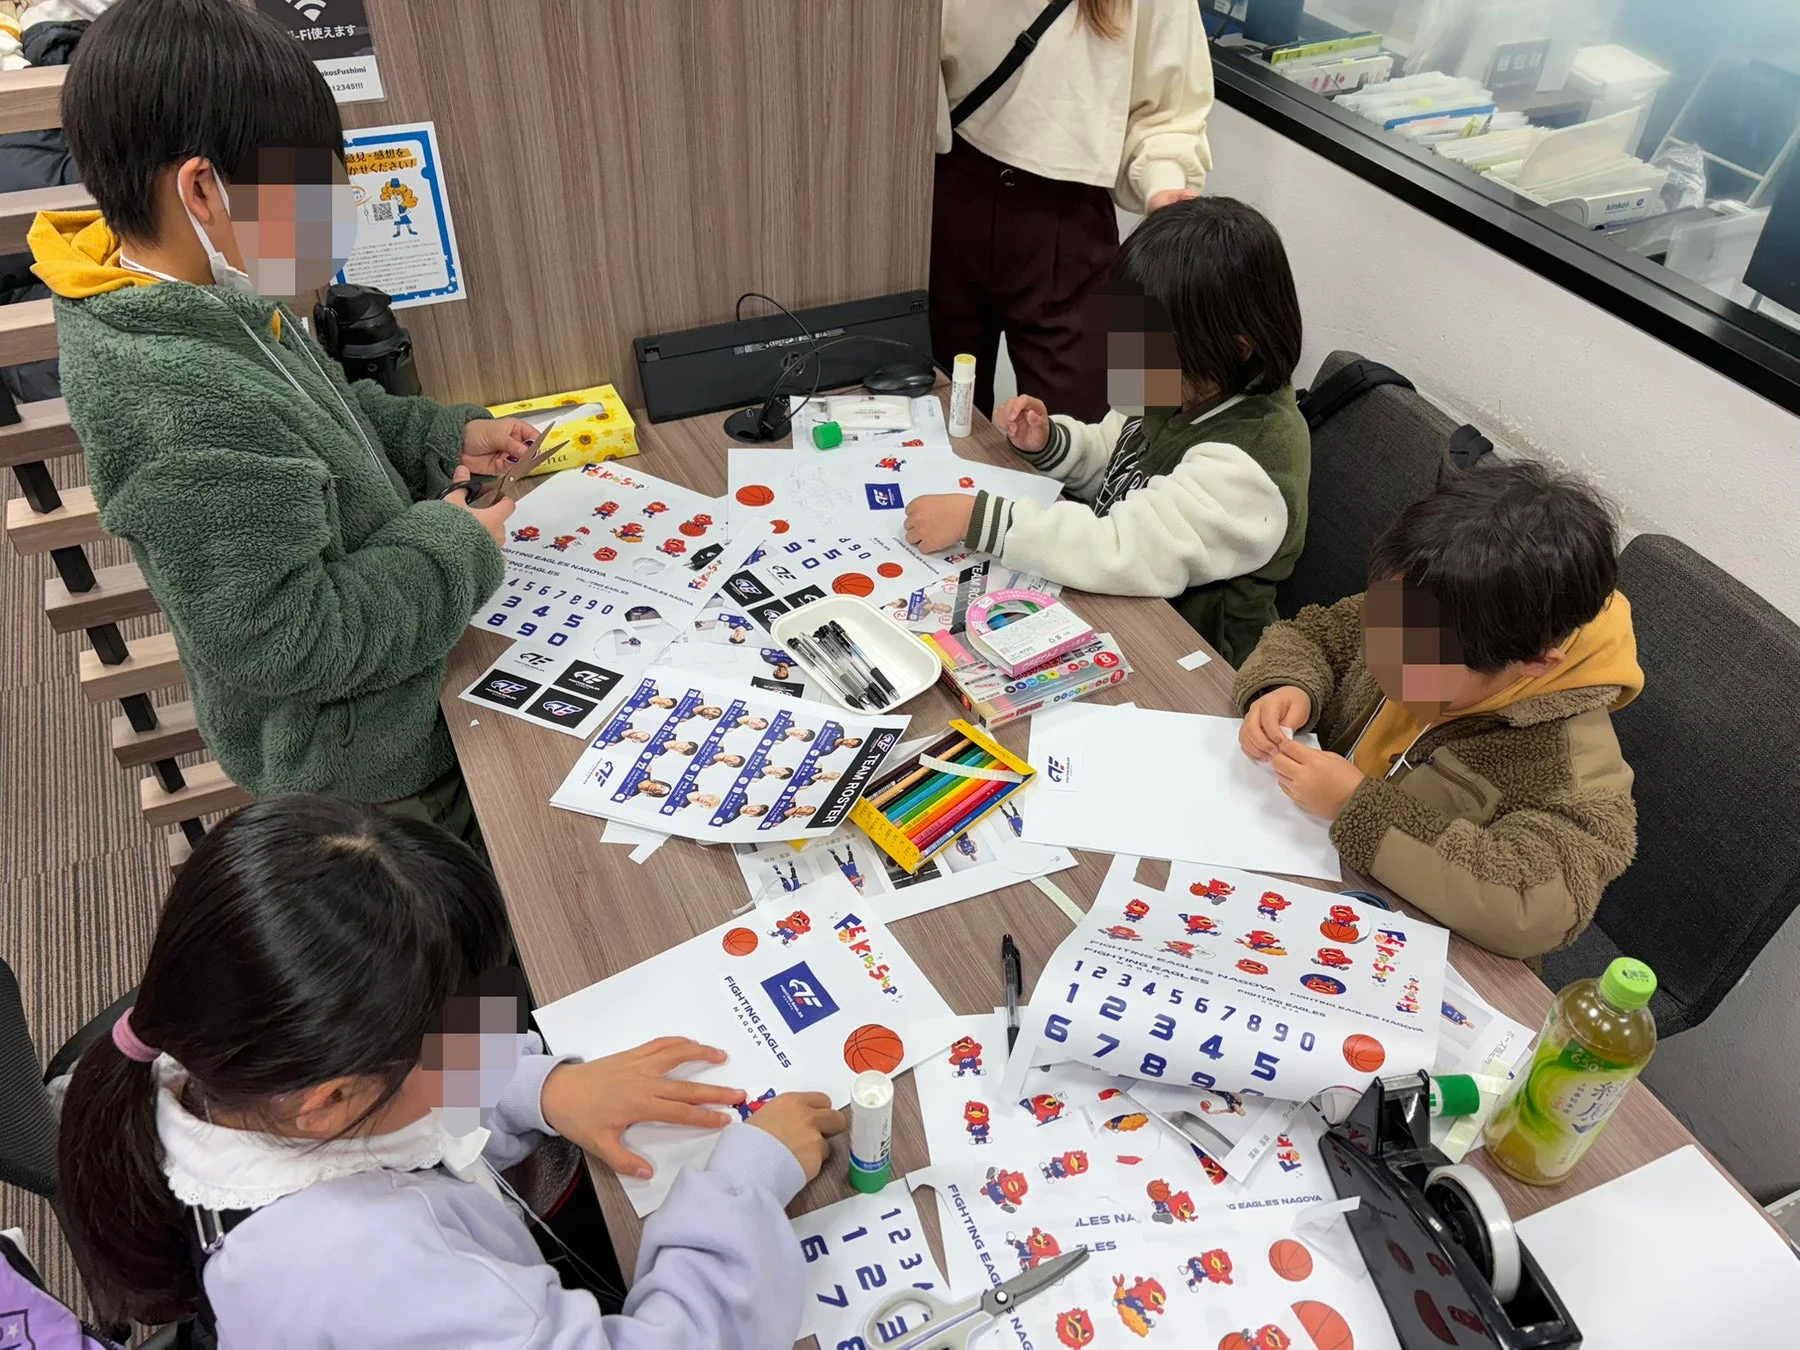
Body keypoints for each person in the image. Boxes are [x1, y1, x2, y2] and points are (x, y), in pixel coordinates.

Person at [56, 796, 844, 1344]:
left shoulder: (212, 1056)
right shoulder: (380, 1274)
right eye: (458, 1027)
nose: (490, 1032)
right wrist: (741, 1189)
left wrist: (545, 1087)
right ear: (331, 1100)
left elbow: (410, 1089)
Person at [29, 0, 542, 840]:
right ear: (201, 189)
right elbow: (287, 640)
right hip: (365, 768)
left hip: (405, 666)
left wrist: (437, 439)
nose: (332, 229)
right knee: (458, 920)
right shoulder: (174, 396)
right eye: (311, 198)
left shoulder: (211, 292)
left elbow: (324, 421)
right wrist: (455, 545)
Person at [1234, 463, 1642, 960]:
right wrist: (1287, 685)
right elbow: (1315, 635)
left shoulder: (1569, 766)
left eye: (1418, 663)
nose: (1385, 661)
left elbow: (1533, 906)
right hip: (1293, 862)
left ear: (1534, 663)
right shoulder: (1426, 601)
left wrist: (1355, 806)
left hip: (1410, 953)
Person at [906, 196, 1308, 665]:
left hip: (1195, 658)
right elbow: (1115, 455)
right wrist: (1053, 442)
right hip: (1125, 606)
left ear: (1236, 349)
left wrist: (980, 520)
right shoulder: (1189, 383)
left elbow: (1123, 547)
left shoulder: (1249, 461)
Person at [933, 0, 1213, 421]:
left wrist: (1164, 185)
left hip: (1072, 217)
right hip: (944, 195)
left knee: (1117, 417)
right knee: (935, 420)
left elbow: (1172, 109)